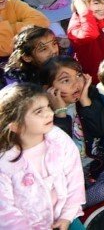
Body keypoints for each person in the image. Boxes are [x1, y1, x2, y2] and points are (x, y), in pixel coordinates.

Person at [0, 82, 86, 230]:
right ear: (15, 125)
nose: (50, 113)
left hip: (65, 217)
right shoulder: (4, 162)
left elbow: (75, 179)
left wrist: (67, 216)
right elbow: (5, 212)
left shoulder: (59, 139)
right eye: (39, 111)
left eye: (48, 107)